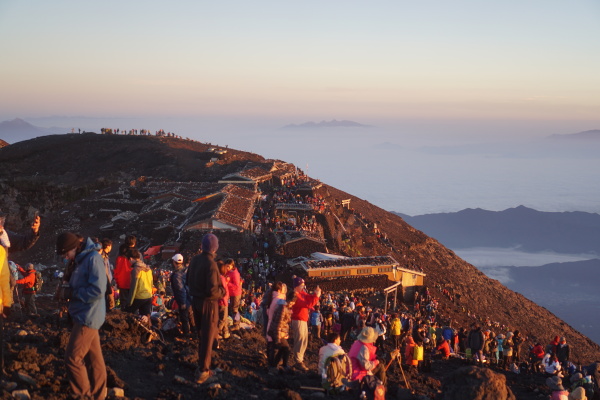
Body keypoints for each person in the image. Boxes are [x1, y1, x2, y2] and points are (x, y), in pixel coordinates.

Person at [57, 232, 107, 400]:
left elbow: (98, 290)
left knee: (72, 358)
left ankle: (82, 395)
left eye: (65, 253)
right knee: (95, 359)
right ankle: (99, 395)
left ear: (73, 248)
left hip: (88, 316)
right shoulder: (81, 260)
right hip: (84, 314)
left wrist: (73, 292)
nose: (65, 257)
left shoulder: (92, 259)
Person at [187, 233, 225, 384]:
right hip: (208, 304)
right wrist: (223, 291)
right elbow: (212, 291)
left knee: (202, 336)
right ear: (215, 248)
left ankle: (202, 365)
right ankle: (203, 371)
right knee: (208, 338)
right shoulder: (211, 264)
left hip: (195, 301)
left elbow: (188, 279)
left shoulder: (195, 260)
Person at [0, 210, 40, 317]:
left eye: (2, 220)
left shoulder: (5, 237)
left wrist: (34, 232)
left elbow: (24, 242)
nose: (1, 224)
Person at [290, 276, 321, 371]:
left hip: (303, 319)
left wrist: (315, 294)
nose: (303, 287)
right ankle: (298, 361)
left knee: (304, 340)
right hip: (298, 319)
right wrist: (316, 296)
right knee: (300, 340)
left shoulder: (302, 293)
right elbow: (307, 304)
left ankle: (300, 359)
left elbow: (309, 299)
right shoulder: (295, 295)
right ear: (296, 286)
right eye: (301, 285)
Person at [265, 282, 292, 373]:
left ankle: (272, 366)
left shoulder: (272, 298)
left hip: (271, 326)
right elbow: (280, 317)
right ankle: (275, 366)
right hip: (277, 328)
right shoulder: (279, 301)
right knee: (283, 348)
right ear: (280, 290)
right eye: (284, 288)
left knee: (271, 347)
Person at [125, 249, 153, 320]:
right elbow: (151, 283)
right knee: (145, 318)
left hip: (139, 297)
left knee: (127, 314)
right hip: (148, 296)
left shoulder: (136, 270)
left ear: (131, 258)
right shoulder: (148, 268)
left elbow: (134, 287)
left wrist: (129, 302)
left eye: (129, 260)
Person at [169, 254, 192, 337]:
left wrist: (182, 302)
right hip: (190, 297)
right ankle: (194, 332)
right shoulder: (186, 271)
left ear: (174, 262)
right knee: (190, 316)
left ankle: (187, 334)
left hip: (183, 299)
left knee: (184, 317)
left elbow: (180, 290)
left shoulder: (176, 276)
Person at [113, 235, 136, 304]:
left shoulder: (119, 254)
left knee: (123, 302)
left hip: (122, 281)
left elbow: (116, 269)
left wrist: (117, 281)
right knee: (132, 302)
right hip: (133, 281)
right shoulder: (136, 254)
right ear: (134, 243)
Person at [225, 258, 242, 332]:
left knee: (235, 309)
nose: (227, 268)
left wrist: (227, 282)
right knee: (232, 308)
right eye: (226, 266)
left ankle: (236, 324)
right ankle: (235, 323)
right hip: (231, 293)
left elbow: (236, 285)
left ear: (232, 266)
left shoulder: (235, 273)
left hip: (236, 293)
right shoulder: (229, 272)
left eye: (229, 266)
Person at [217, 260, 231, 343]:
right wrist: (225, 301)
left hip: (221, 300)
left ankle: (226, 333)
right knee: (222, 319)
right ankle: (216, 333)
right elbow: (223, 290)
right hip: (222, 301)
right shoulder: (221, 278)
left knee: (225, 318)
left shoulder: (218, 277)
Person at [99, 239, 114, 311]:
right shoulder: (103, 256)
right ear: (108, 246)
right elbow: (105, 271)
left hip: (106, 281)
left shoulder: (105, 256)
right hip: (105, 282)